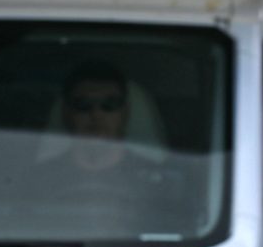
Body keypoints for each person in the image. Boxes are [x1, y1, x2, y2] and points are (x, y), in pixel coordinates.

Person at [39, 62, 177, 206]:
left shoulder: (156, 181)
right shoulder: (39, 179)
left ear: (125, 113)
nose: (96, 114)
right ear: (66, 113)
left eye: (110, 104)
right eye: (83, 105)